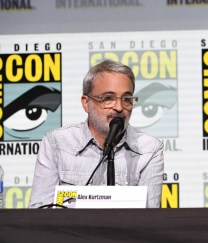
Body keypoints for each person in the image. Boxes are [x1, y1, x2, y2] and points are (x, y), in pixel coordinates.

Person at [29, 60, 164, 208]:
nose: (119, 107)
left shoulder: (149, 149)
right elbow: (39, 214)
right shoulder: (57, 143)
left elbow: (150, 220)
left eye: (126, 99)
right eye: (108, 98)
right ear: (86, 103)